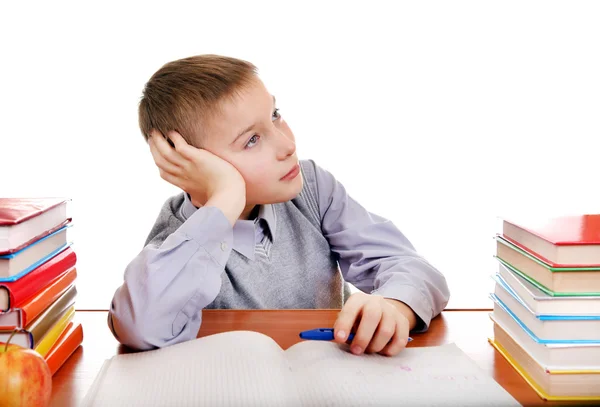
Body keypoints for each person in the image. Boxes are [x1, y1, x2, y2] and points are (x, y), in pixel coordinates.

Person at [108, 54, 450, 356]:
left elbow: (413, 268)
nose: (287, 144)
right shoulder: (177, 239)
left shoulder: (312, 189)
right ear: (189, 163)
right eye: (252, 140)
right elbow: (140, 327)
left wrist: (396, 306)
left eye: (275, 115)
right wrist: (225, 198)